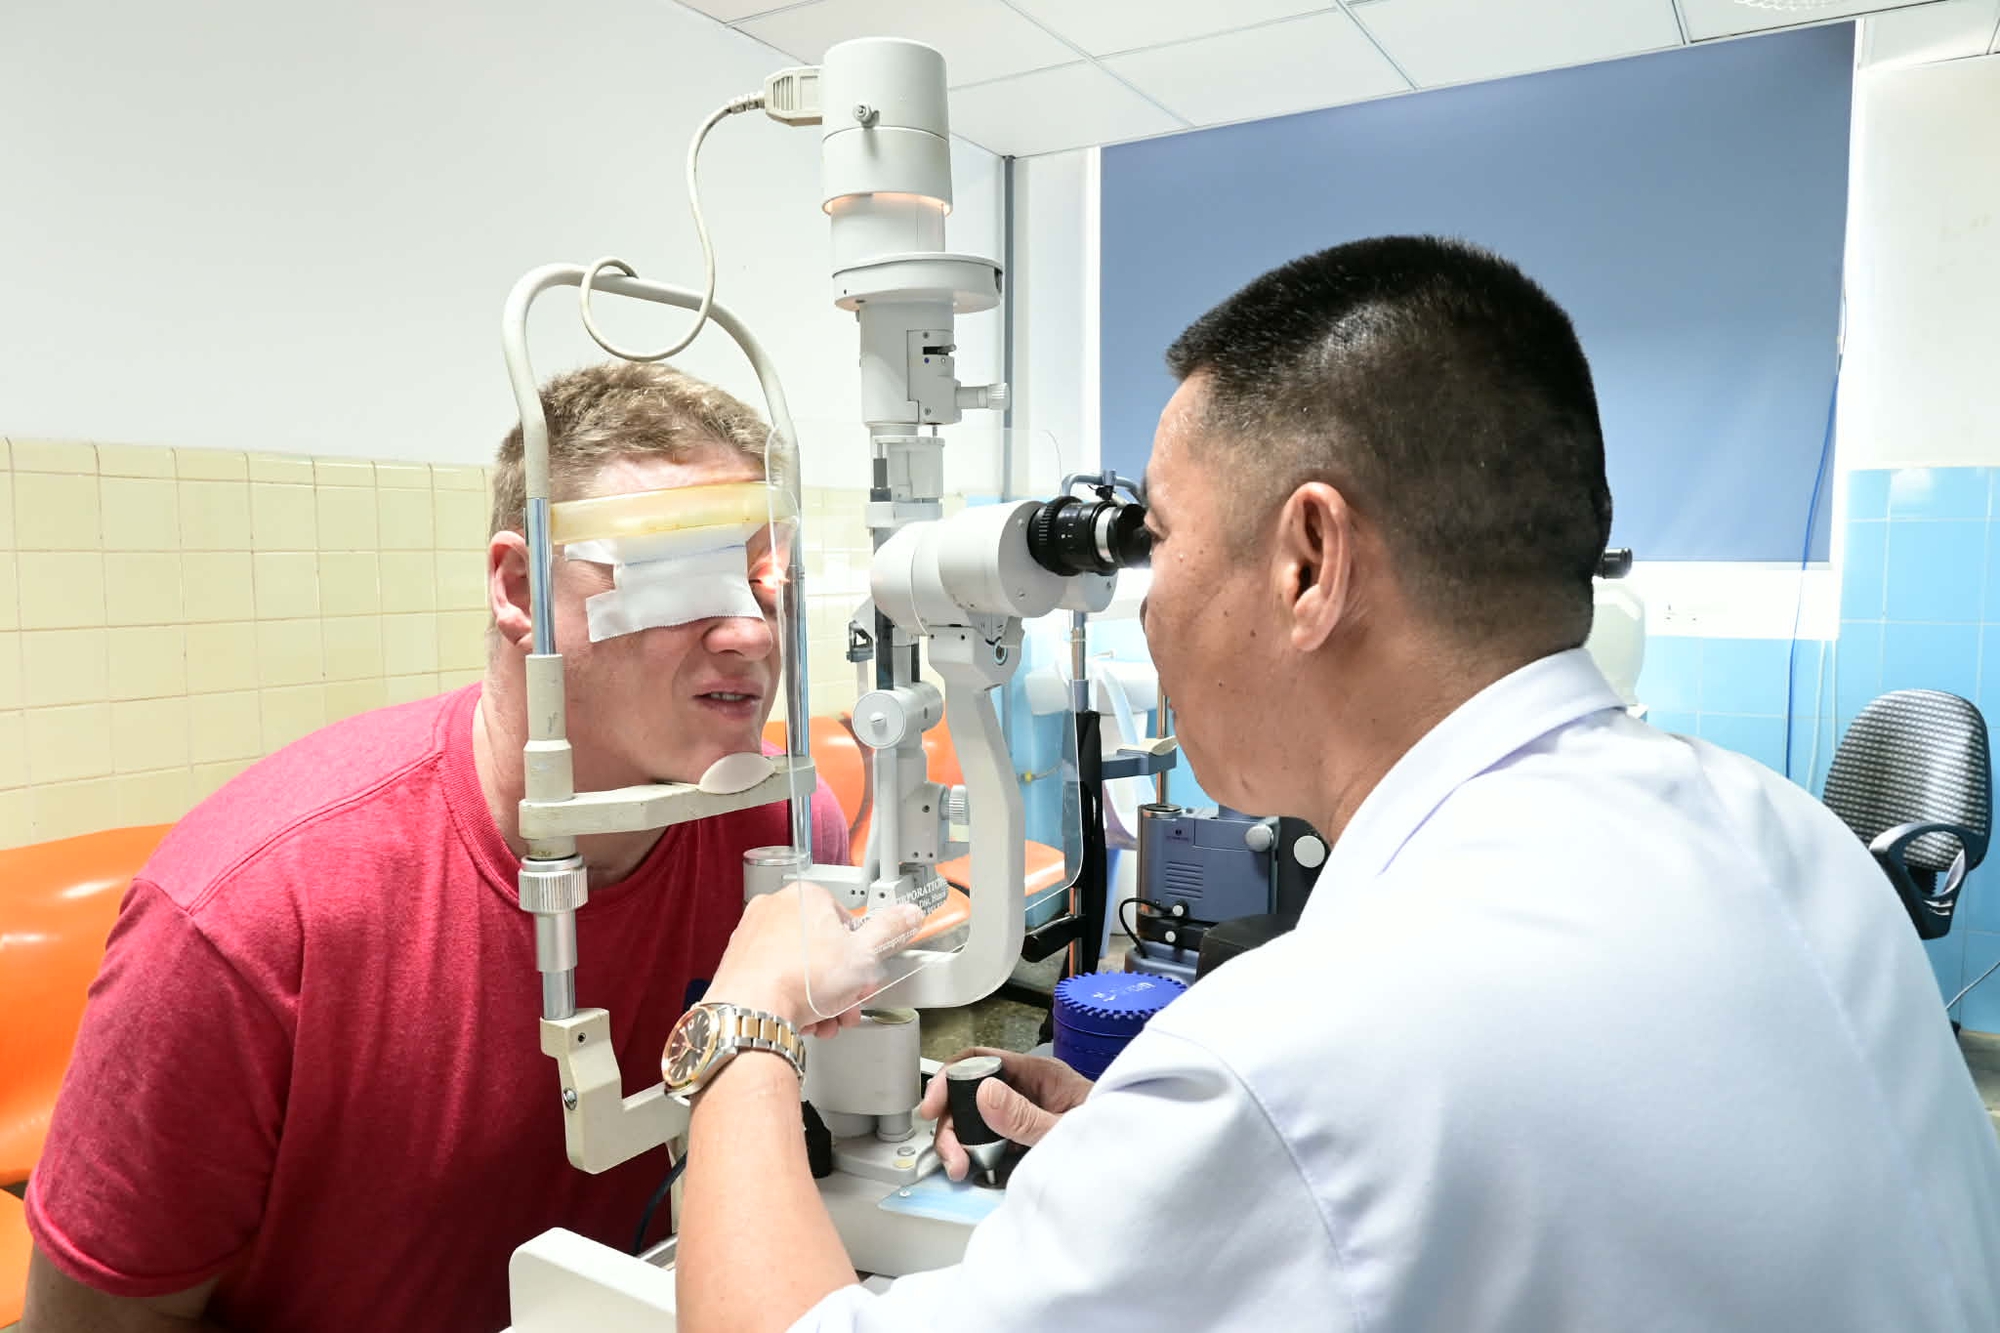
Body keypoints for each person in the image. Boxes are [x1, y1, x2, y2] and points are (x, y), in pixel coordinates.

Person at [673, 236, 2000, 1331]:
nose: (1147, 604)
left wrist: (744, 1017)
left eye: (1160, 538)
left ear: (1309, 560)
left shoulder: (1296, 1053)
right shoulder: (1793, 835)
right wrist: (1170, 1184)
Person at [21, 362, 848, 1332]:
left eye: (764, 577)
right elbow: (94, 1321)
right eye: (680, 571)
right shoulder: (251, 917)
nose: (750, 631)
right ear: (519, 587)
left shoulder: (784, 832)